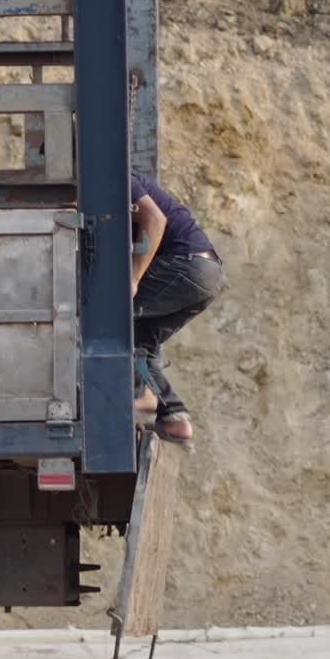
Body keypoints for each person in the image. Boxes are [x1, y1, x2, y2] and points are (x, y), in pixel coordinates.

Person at [131, 171, 224, 450]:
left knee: (107, 314)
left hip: (186, 265)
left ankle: (145, 395)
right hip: (204, 273)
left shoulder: (113, 173)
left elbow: (155, 219)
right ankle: (172, 415)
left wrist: (134, 278)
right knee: (139, 340)